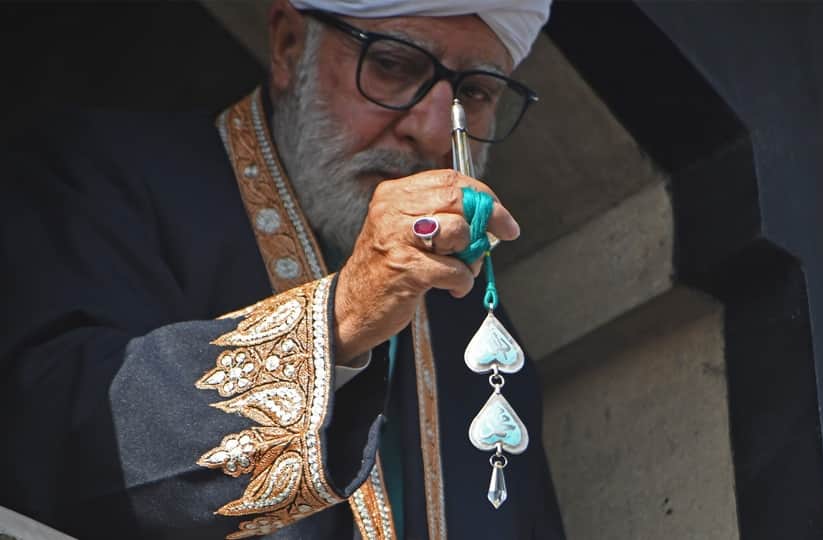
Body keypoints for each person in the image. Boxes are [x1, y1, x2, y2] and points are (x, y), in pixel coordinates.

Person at [0, 0, 565, 539]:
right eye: (394, 65)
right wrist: (341, 320)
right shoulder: (106, 181)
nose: (436, 131)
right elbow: (54, 444)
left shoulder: (483, 339)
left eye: (475, 92)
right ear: (289, 46)